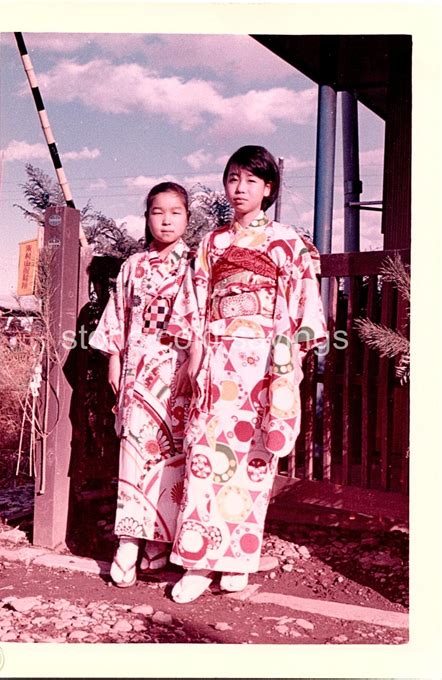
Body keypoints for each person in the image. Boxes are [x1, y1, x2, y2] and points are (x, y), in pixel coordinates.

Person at [165, 145, 327, 603]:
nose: (240, 189)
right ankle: (197, 561)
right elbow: (195, 299)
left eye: (251, 181)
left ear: (268, 188)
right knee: (205, 452)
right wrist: (195, 350)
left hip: (263, 359)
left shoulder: (286, 241)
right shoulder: (212, 243)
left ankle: (237, 560)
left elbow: (302, 301)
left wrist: (290, 359)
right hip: (217, 357)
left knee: (253, 456)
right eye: (233, 179)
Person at [89, 182, 192, 587]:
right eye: (157, 211)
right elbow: (119, 315)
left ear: (187, 217)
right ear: (147, 216)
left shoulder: (195, 264)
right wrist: (115, 359)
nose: (166, 220)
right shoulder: (133, 266)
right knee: (134, 456)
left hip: (178, 373)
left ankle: (160, 543)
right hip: (137, 368)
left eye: (175, 212)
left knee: (172, 460)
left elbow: (200, 322)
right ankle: (128, 542)